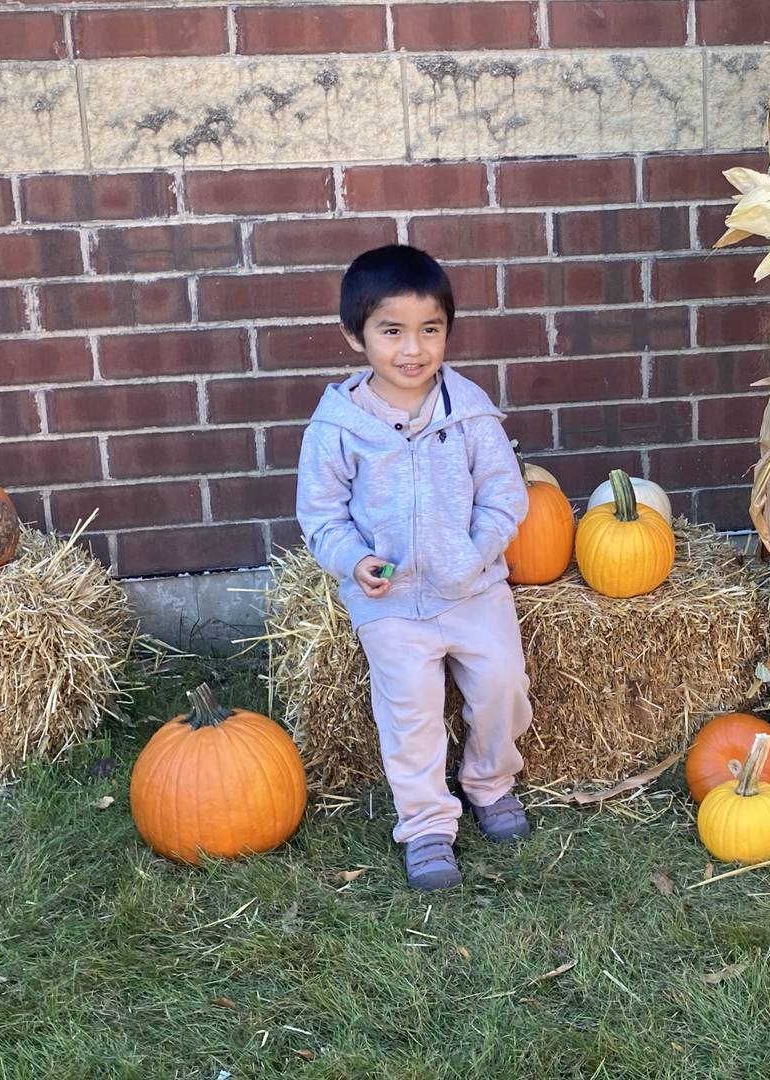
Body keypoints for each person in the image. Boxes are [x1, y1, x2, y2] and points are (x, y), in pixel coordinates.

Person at [295, 244, 532, 891]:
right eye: (391, 331)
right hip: (392, 600)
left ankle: (490, 779)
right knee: (412, 713)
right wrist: (355, 559)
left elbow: (507, 496)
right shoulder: (339, 428)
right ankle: (427, 824)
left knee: (503, 686)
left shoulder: (470, 412)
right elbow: (321, 516)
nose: (413, 349)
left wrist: (474, 550)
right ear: (356, 337)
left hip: (473, 588)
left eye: (431, 330)